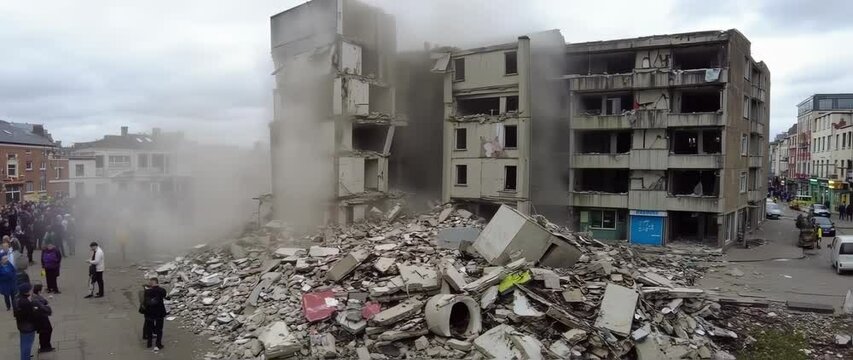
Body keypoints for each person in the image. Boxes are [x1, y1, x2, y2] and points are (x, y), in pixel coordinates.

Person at [14, 283, 40, 360]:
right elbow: (31, 314)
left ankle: (26, 356)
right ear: (26, 292)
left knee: (24, 343)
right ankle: (25, 358)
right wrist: (35, 309)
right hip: (28, 327)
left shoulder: (17, 299)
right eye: (30, 290)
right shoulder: (26, 302)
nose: (32, 291)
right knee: (27, 345)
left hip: (21, 325)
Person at [141, 277, 168, 351]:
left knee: (149, 328)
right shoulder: (161, 290)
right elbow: (165, 296)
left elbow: (145, 301)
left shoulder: (147, 291)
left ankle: (149, 343)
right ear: (157, 282)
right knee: (159, 329)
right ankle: (158, 344)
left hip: (149, 313)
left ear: (151, 283)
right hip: (159, 312)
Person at [31, 284, 54, 353]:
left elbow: (44, 302)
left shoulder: (36, 296)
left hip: (41, 317)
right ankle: (45, 347)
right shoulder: (36, 299)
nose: (44, 290)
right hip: (41, 317)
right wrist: (49, 310)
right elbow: (42, 307)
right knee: (46, 330)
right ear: (39, 291)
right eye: (42, 289)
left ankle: (45, 346)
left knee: (45, 331)